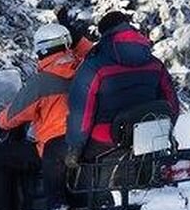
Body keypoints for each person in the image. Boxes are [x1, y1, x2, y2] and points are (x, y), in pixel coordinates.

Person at [0, 20, 92, 210]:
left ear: (41, 49)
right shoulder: (84, 67)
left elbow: (14, 115)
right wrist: (78, 37)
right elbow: (94, 50)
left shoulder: (42, 81)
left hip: (54, 146)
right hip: (85, 142)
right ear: (66, 43)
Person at [64, 11, 180, 198]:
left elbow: (82, 111)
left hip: (107, 140)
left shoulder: (95, 65)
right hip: (148, 138)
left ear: (104, 33)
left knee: (79, 180)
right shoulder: (155, 63)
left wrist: (75, 148)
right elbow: (172, 104)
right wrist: (163, 129)